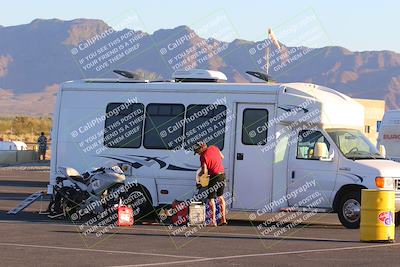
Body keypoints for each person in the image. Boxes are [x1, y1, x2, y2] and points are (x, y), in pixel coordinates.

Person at [194, 141, 227, 226]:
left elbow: (205, 170)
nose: (197, 153)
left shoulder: (203, 156)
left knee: (211, 199)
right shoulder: (214, 148)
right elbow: (222, 157)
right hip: (222, 174)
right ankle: (223, 219)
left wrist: (199, 177)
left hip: (214, 176)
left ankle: (213, 221)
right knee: (220, 197)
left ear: (201, 148)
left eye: (197, 151)